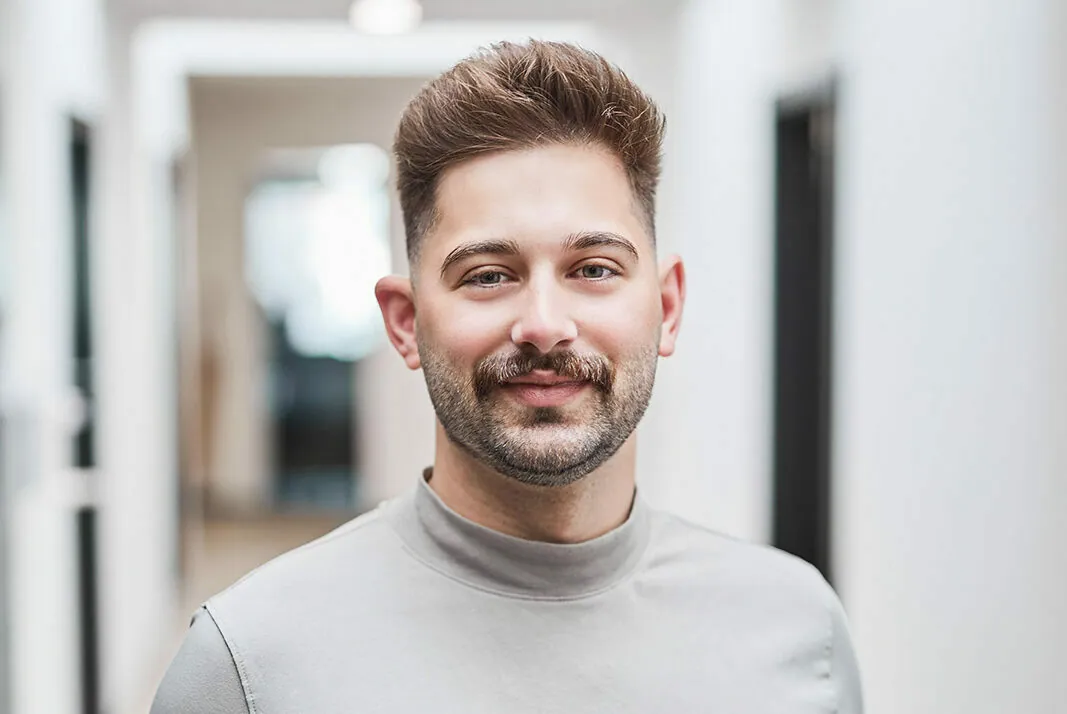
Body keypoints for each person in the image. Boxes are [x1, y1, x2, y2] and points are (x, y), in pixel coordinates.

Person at [151, 40, 863, 713]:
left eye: (593, 269)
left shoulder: (796, 629)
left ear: (666, 307)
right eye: (488, 276)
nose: (544, 324)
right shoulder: (250, 662)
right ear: (404, 322)